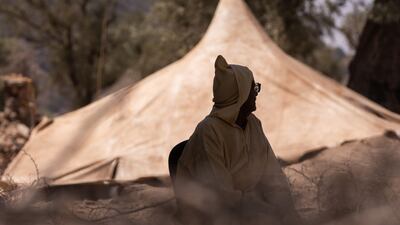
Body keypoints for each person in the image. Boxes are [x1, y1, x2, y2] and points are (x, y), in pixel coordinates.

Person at [174, 55, 303, 225]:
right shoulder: (209, 131)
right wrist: (262, 209)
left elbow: (273, 175)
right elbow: (221, 194)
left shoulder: (253, 124)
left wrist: (285, 207)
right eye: (253, 88)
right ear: (240, 94)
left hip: (252, 209)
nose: (256, 93)